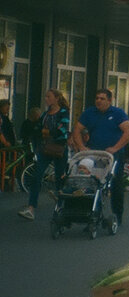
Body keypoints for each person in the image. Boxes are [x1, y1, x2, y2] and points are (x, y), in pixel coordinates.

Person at [70, 88, 129, 226]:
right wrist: (81, 147)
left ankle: (117, 215)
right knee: (91, 183)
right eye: (97, 98)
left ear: (109, 101)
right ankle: (91, 214)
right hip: (94, 154)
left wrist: (115, 148)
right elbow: (77, 130)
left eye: (102, 98)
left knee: (115, 185)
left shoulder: (117, 113)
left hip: (113, 156)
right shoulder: (89, 113)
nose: (99, 101)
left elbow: (128, 132)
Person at [17, 89, 71, 221]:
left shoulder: (64, 112)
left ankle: (61, 206)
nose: (46, 99)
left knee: (59, 177)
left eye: (48, 96)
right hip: (45, 148)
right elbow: (37, 128)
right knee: (37, 176)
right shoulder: (46, 114)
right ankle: (31, 208)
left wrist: (46, 132)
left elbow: (62, 129)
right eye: (45, 96)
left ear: (56, 98)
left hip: (59, 149)